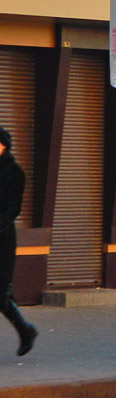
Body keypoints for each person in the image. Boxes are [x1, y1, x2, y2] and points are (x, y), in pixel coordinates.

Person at [0, 127, 36, 356]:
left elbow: (14, 208)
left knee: (0, 291)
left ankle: (25, 329)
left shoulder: (14, 172)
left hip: (2, 239)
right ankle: (25, 329)